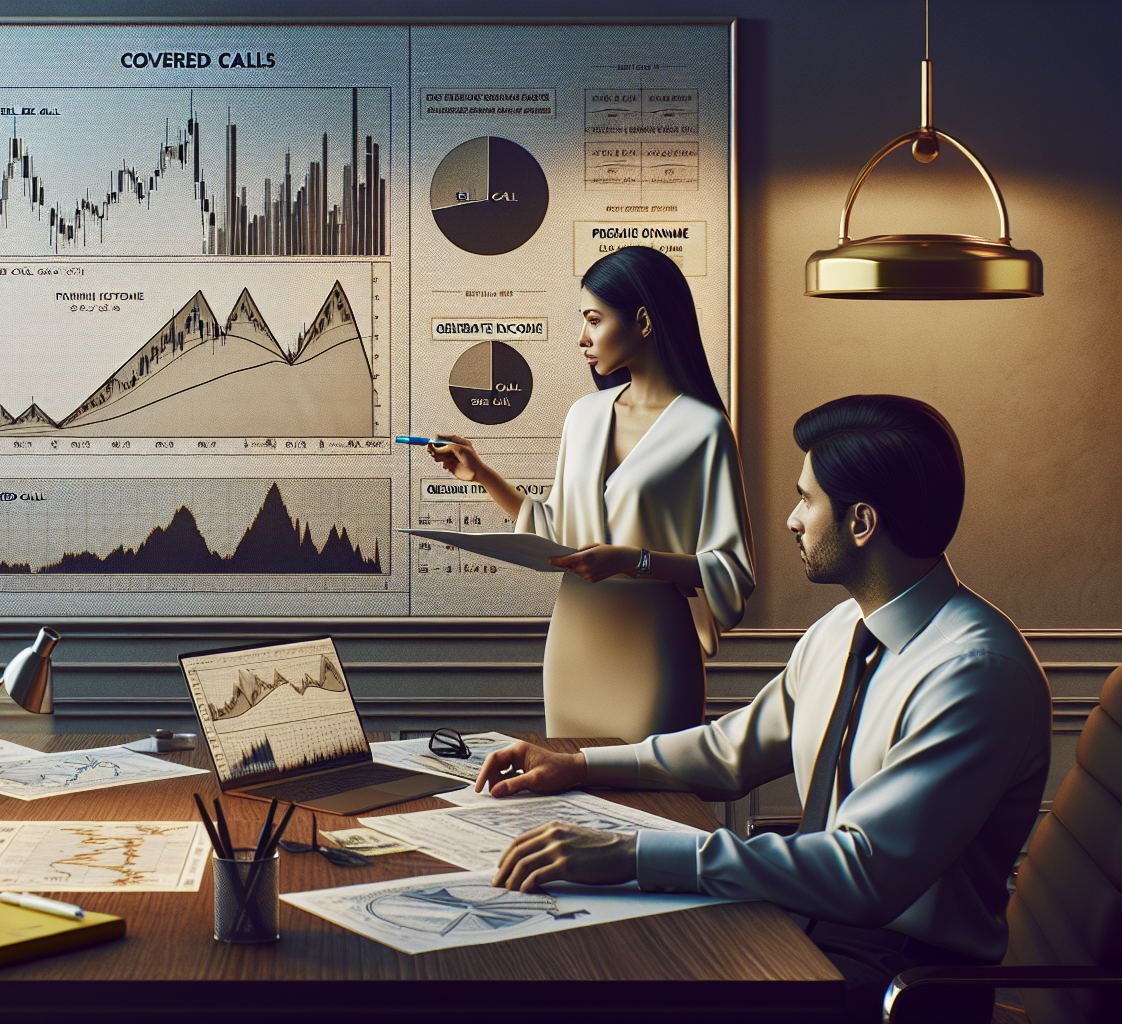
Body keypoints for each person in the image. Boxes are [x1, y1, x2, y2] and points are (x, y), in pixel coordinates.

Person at [473, 394, 1050, 1024]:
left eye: (806, 499)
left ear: (862, 523)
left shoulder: (974, 674)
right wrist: (579, 764)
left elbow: (865, 872)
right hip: (808, 923)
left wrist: (631, 854)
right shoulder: (841, 629)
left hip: (903, 977)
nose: (790, 521)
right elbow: (730, 753)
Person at [430, 245, 753, 742]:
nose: (582, 338)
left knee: (647, 798)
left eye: (594, 320)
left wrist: (635, 560)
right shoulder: (584, 415)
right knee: (569, 792)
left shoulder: (706, 429)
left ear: (643, 320)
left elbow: (730, 569)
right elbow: (558, 531)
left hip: (651, 646)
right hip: (573, 641)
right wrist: (483, 475)